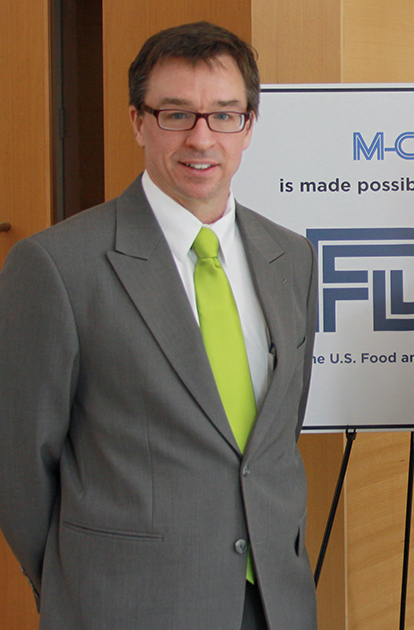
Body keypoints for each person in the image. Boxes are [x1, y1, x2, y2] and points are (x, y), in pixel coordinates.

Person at [0, 22, 318, 630]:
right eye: (176, 114)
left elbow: (273, 439)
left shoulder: (292, 258)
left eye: (224, 114)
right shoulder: (58, 266)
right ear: (137, 121)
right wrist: (74, 583)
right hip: (124, 604)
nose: (201, 138)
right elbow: (20, 464)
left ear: (248, 126)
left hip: (276, 601)